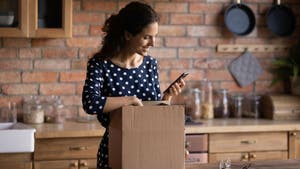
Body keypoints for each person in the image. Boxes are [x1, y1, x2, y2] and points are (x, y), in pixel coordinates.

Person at [82, 1, 186, 168]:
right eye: (146, 37)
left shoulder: (150, 64)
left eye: (155, 37)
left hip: (149, 149)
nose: (153, 43)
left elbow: (152, 113)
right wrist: (128, 100)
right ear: (128, 35)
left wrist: (167, 98)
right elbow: (90, 103)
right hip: (115, 149)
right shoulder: (100, 64)